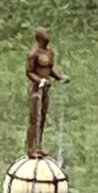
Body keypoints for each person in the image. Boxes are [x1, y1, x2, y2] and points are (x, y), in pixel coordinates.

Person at [26, 28, 69, 158]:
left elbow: (50, 70)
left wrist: (60, 78)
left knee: (43, 118)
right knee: (35, 119)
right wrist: (39, 81)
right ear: (39, 38)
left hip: (46, 89)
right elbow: (29, 72)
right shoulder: (34, 54)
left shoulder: (50, 53)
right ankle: (31, 148)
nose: (48, 36)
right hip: (36, 89)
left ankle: (39, 146)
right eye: (46, 34)